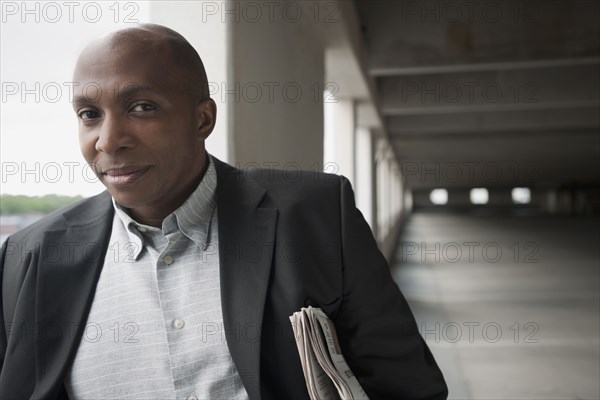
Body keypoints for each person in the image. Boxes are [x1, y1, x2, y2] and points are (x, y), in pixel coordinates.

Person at [0, 24, 447, 400]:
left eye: (142, 107)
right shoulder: (29, 256)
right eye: (89, 114)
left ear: (202, 120)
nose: (108, 140)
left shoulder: (316, 214)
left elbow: (406, 386)